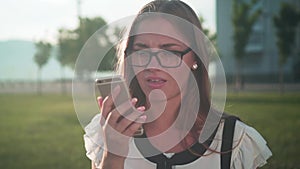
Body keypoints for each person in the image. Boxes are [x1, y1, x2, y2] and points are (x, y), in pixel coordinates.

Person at [83, 0, 272, 169]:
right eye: (141, 51)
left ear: (195, 59)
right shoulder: (107, 133)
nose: (152, 65)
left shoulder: (234, 141)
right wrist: (114, 156)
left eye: (170, 52)